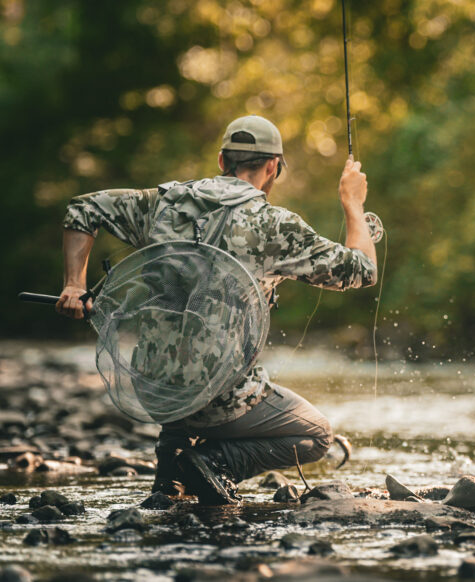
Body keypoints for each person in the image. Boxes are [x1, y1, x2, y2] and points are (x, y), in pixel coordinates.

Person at [55, 115, 377, 504]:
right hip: (220, 400)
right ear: (273, 167)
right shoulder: (274, 226)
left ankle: (171, 463)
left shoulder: (163, 204)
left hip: (153, 389)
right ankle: (213, 463)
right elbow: (361, 271)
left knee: (183, 360)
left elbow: (83, 209)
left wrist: (74, 283)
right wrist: (352, 204)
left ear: (223, 160)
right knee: (316, 435)